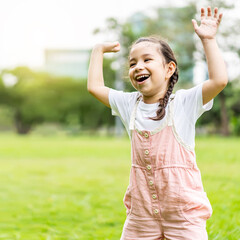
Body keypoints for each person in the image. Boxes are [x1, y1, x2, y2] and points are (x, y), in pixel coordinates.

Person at [87, 6, 228, 240]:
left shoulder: (183, 103)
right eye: (132, 63)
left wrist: (209, 40)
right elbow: (94, 87)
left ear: (169, 69)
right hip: (141, 216)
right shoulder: (128, 104)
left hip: (183, 215)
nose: (138, 66)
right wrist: (98, 51)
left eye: (147, 59)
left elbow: (219, 80)